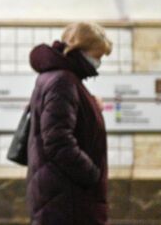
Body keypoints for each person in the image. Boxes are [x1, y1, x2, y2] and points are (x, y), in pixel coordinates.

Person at [26, 22, 112, 225]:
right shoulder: (63, 81)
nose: (98, 62)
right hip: (68, 199)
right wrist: (91, 174)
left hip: (59, 195)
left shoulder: (56, 77)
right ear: (80, 50)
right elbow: (58, 140)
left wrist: (90, 107)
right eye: (97, 55)